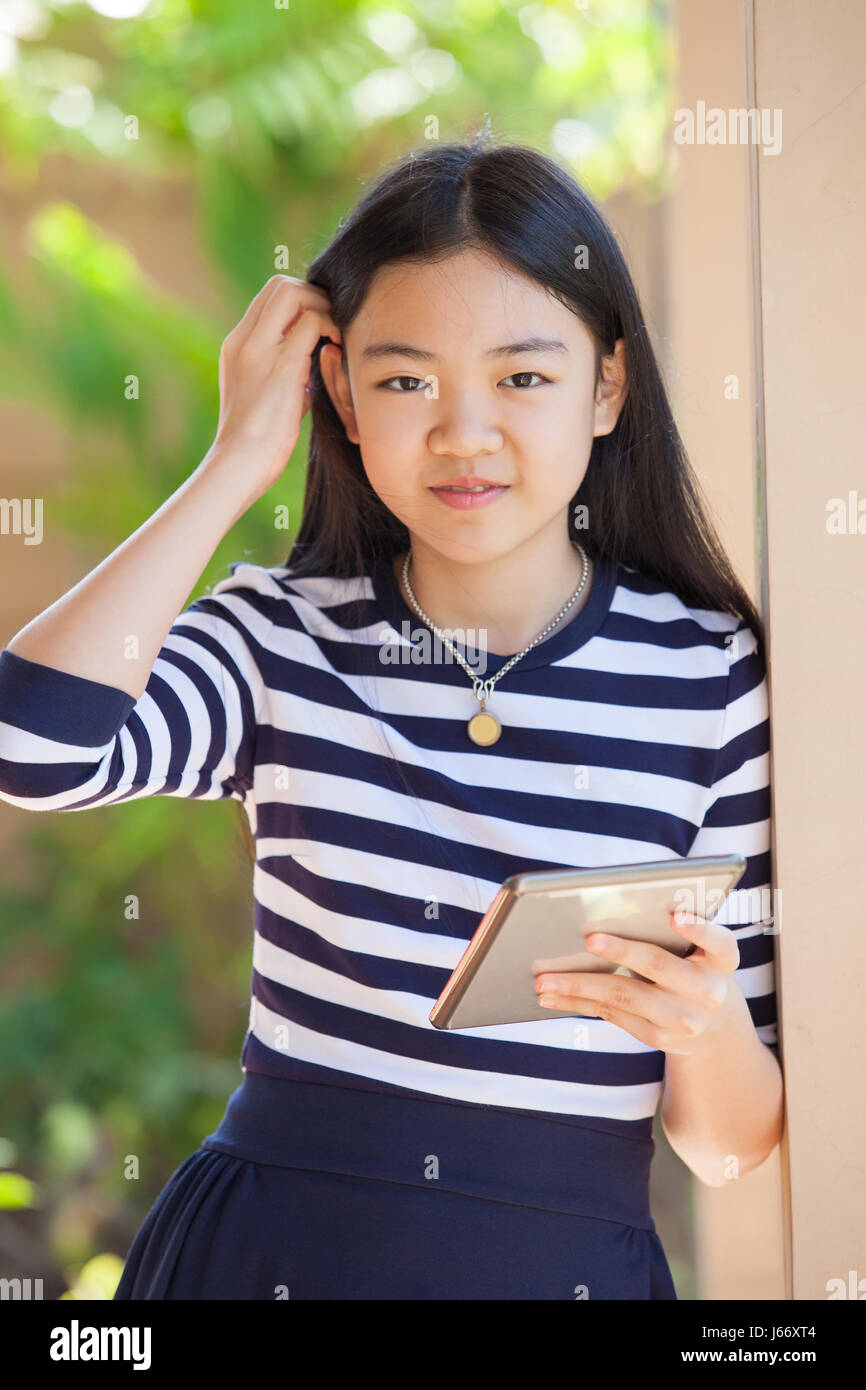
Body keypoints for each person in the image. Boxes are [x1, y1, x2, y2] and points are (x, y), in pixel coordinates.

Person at [0, 133, 782, 1300]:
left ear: (606, 387)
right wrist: (233, 461)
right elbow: (29, 748)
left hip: (559, 1268)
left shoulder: (710, 676)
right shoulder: (279, 636)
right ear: (342, 397)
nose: (464, 435)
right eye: (405, 379)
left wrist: (702, 1021)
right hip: (264, 1258)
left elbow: (727, 1146)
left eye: (523, 377)